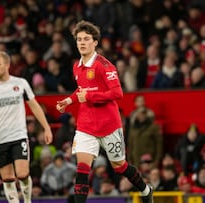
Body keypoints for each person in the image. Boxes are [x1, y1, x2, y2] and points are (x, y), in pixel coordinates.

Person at [56, 20, 153, 203]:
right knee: (82, 168)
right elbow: (82, 89)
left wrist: (90, 98)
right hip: (86, 125)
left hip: (109, 125)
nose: (82, 42)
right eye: (79, 39)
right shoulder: (77, 66)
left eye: (86, 39)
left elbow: (118, 93)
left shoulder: (104, 65)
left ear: (95, 42)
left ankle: (146, 190)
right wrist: (69, 100)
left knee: (120, 166)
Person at [0, 51, 53, 203]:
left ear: (7, 65)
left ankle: (27, 201)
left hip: (18, 136)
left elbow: (34, 106)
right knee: (7, 178)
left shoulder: (20, 84)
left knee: (22, 174)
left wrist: (46, 127)